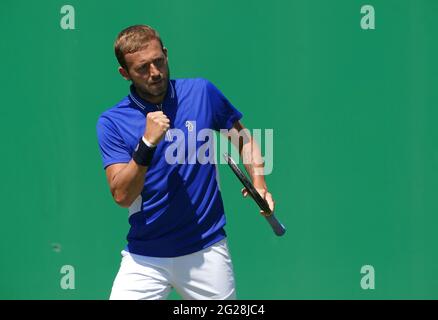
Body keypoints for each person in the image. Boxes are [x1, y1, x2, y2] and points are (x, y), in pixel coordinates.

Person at [96, 25, 275, 300]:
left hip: (206, 251)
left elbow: (244, 140)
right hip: (145, 259)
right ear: (125, 73)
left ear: (166, 54)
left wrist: (260, 184)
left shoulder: (202, 92)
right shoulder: (112, 122)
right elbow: (121, 195)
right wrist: (146, 144)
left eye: (159, 61)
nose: (155, 73)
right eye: (142, 68)